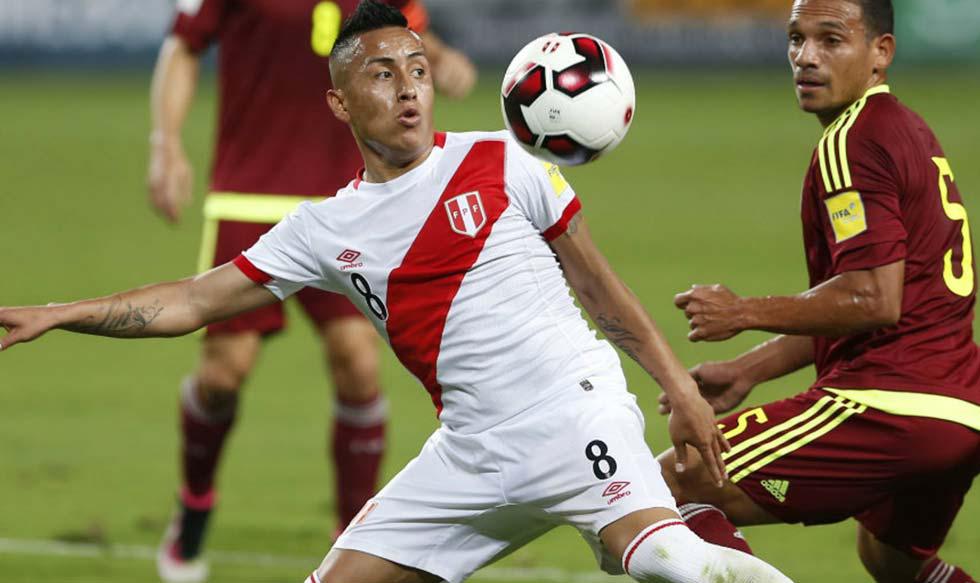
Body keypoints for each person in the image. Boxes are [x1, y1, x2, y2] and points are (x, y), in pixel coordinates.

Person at [0, 2, 796, 582]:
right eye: (383, 75)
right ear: (340, 103)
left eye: (417, 70)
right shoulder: (323, 226)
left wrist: (677, 388)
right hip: (470, 454)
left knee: (668, 560)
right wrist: (60, 314)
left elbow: (604, 292)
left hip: (573, 415)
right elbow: (192, 302)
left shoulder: (504, 161)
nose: (409, 88)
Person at [146, 0, 476, 580]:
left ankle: (356, 536)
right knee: (223, 375)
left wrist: (442, 59)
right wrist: (165, 143)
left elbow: (403, 34)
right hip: (249, 190)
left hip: (347, 197)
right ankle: (194, 505)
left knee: (358, 366)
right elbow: (183, 45)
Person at [658, 1, 979, 582]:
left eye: (830, 40)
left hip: (889, 406)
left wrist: (743, 311)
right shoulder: (907, 129)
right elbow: (883, 305)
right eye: (795, 39)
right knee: (891, 560)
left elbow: (872, 298)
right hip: (959, 412)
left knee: (667, 485)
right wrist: (751, 368)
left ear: (880, 53)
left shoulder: (852, 142)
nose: (805, 57)